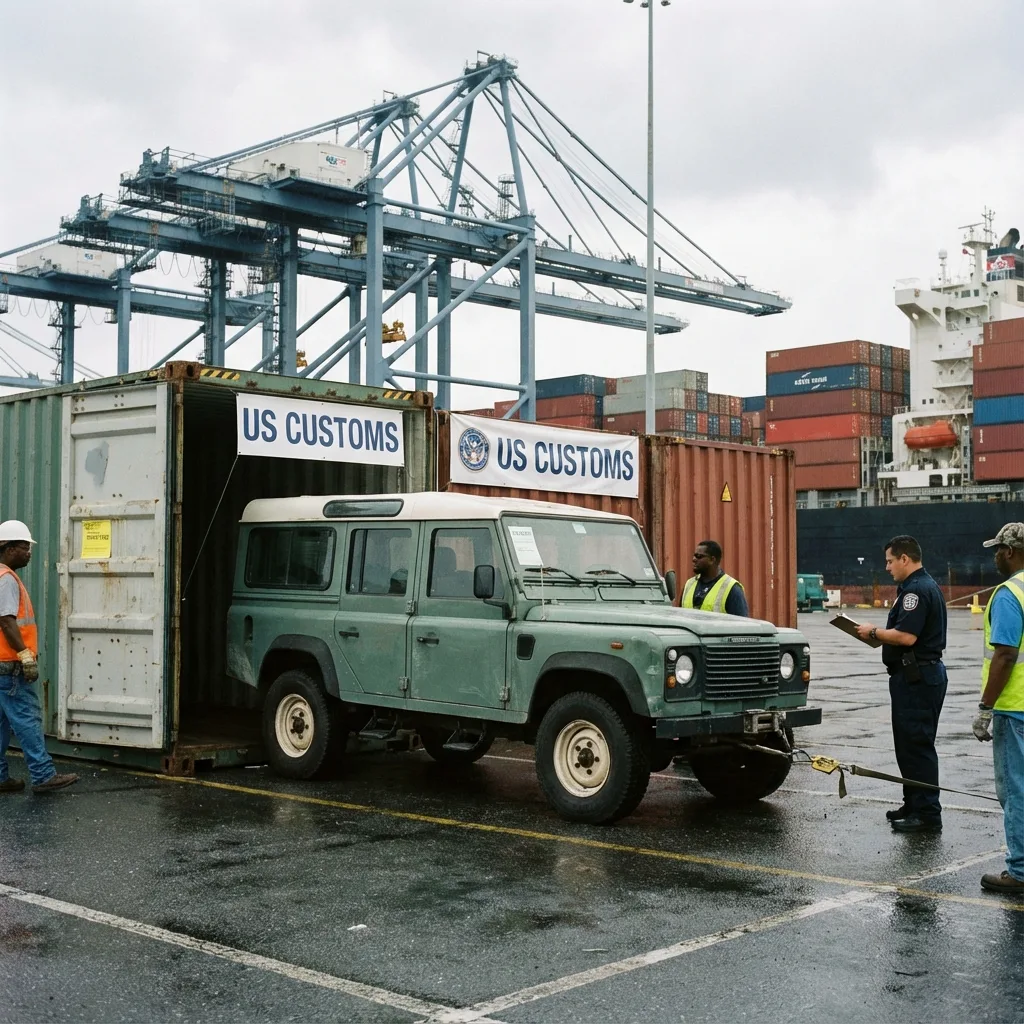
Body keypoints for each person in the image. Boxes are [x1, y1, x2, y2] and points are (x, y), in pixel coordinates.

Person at [856, 535, 947, 833]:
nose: (887, 567)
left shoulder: (916, 591)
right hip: (914, 676)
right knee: (907, 745)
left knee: (917, 746)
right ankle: (914, 803)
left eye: (890, 561)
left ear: (905, 558)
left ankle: (928, 814)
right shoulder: (914, 588)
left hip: (917, 677)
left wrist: (873, 633)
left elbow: (907, 637)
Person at [0, 520, 78, 795]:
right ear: (8, 548)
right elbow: (7, 621)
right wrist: (24, 655)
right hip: (10, 666)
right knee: (27, 719)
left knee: (2, 723)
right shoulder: (6, 578)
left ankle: (0, 776)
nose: (29, 552)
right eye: (24, 547)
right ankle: (44, 775)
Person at [972, 523, 1024, 893]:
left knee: (1016, 790)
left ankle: (1020, 871)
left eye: (997, 550)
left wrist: (985, 707)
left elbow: (1005, 655)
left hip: (1015, 709)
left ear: (1009, 551)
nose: (994, 556)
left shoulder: (1009, 594)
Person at [681, 540, 749, 616]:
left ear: (712, 560)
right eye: (694, 555)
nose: (694, 559)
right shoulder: (689, 585)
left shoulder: (731, 588)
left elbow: (742, 624)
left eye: (699, 556)